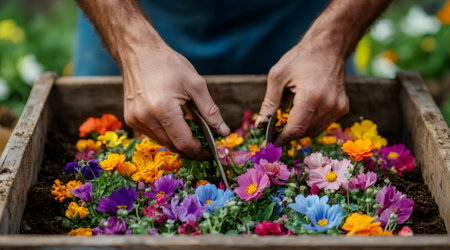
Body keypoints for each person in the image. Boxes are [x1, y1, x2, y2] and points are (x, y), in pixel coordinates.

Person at [74, 0, 392, 159]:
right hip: (139, 12)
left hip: (302, 19)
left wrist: (332, 39)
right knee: (101, 143)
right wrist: (132, 44)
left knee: (318, 120)